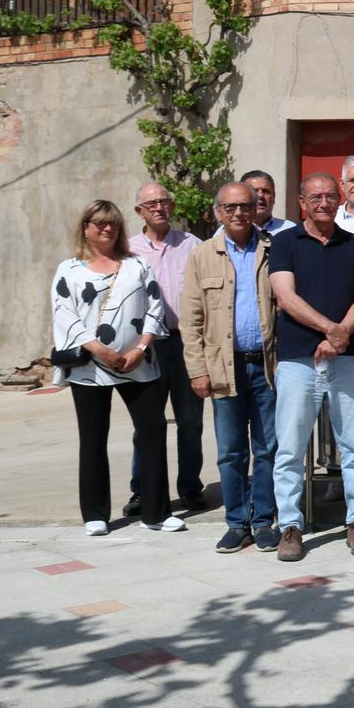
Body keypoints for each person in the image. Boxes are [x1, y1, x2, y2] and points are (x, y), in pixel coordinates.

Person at [52, 200, 179, 536]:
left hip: (139, 363)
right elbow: (65, 315)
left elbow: (155, 307)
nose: (107, 228)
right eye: (99, 223)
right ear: (85, 228)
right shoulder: (69, 270)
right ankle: (95, 514)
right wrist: (99, 350)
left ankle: (155, 512)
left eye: (113, 223)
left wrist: (141, 348)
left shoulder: (137, 265)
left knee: (153, 432)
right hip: (89, 368)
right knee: (93, 438)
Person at [269, 172, 354, 562]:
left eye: (330, 196)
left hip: (345, 357)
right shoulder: (285, 243)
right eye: (315, 197)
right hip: (298, 359)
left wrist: (341, 334)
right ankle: (290, 526)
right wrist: (331, 329)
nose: (324, 202)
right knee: (290, 448)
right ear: (302, 202)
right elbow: (285, 296)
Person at [182, 182, 280, 552]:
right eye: (230, 207)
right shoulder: (202, 255)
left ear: (256, 209)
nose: (239, 213)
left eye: (245, 206)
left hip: (267, 367)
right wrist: (197, 370)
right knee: (230, 452)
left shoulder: (273, 249)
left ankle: (264, 520)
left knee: (268, 449)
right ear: (218, 213)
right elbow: (191, 319)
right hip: (224, 367)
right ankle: (237, 523)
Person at [125, 182, 205, 516]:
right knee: (146, 423)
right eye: (152, 203)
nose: (159, 207)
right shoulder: (128, 251)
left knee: (190, 421)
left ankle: (190, 487)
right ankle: (142, 490)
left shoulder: (192, 245)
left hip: (186, 343)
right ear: (139, 211)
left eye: (164, 201)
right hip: (147, 347)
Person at [241, 170, 295, 235]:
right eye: (254, 191)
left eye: (265, 191)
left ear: (274, 197)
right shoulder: (232, 232)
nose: (260, 195)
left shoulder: (289, 229)